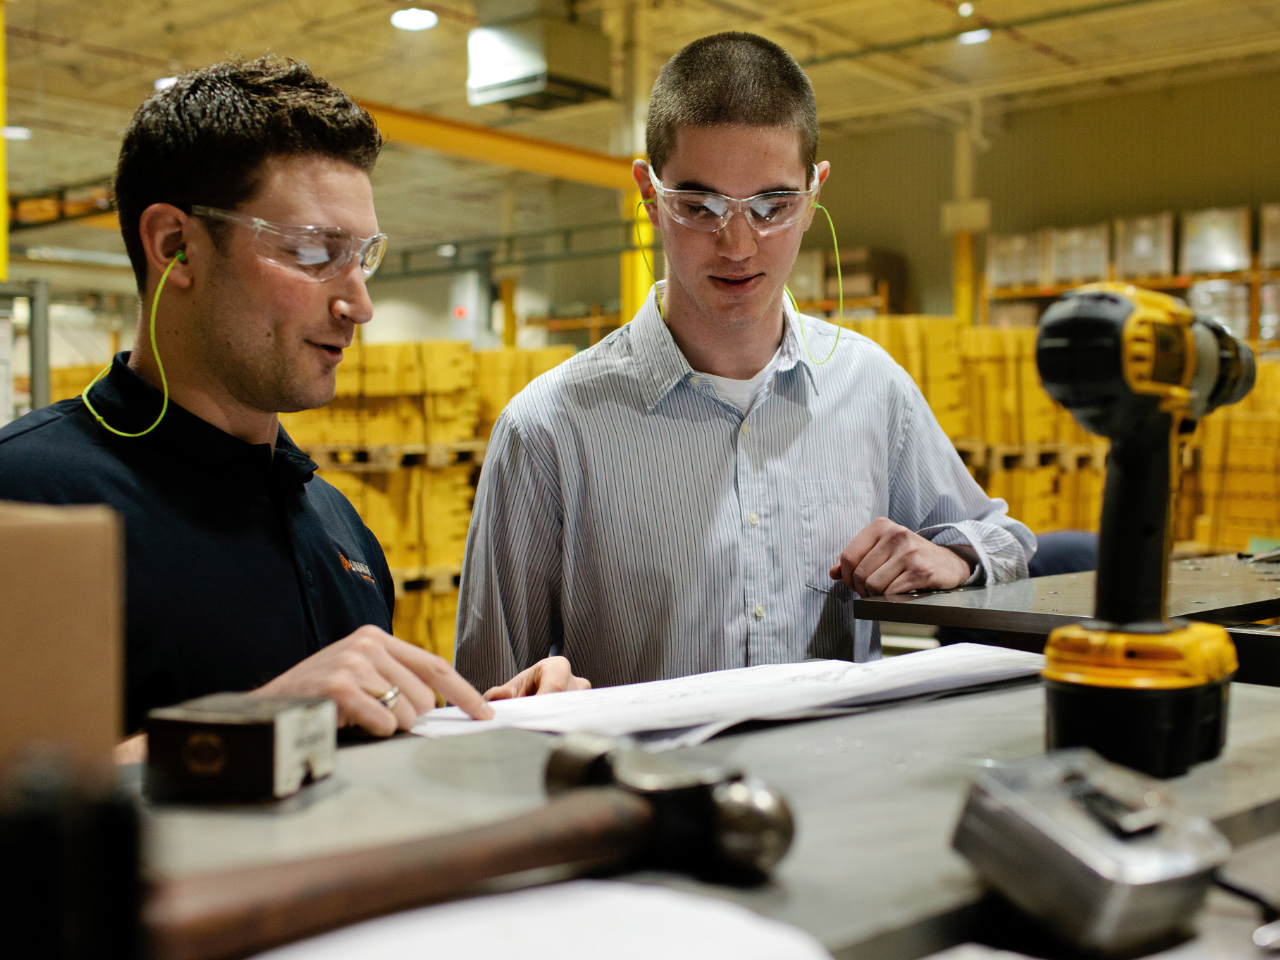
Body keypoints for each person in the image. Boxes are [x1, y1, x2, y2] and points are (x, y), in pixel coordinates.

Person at [457, 32, 1037, 697]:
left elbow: (1007, 540)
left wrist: (954, 558)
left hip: (836, 788)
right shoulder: (548, 430)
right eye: (699, 207)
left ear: (815, 193)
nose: (737, 244)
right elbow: (486, 695)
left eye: (772, 207)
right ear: (648, 192)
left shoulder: (872, 390)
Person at [0, 57, 528, 747]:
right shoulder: (26, 501)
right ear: (175, 246)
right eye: (312, 250)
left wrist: (501, 719)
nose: (359, 304)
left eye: (362, 256)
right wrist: (256, 722)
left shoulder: (340, 531)